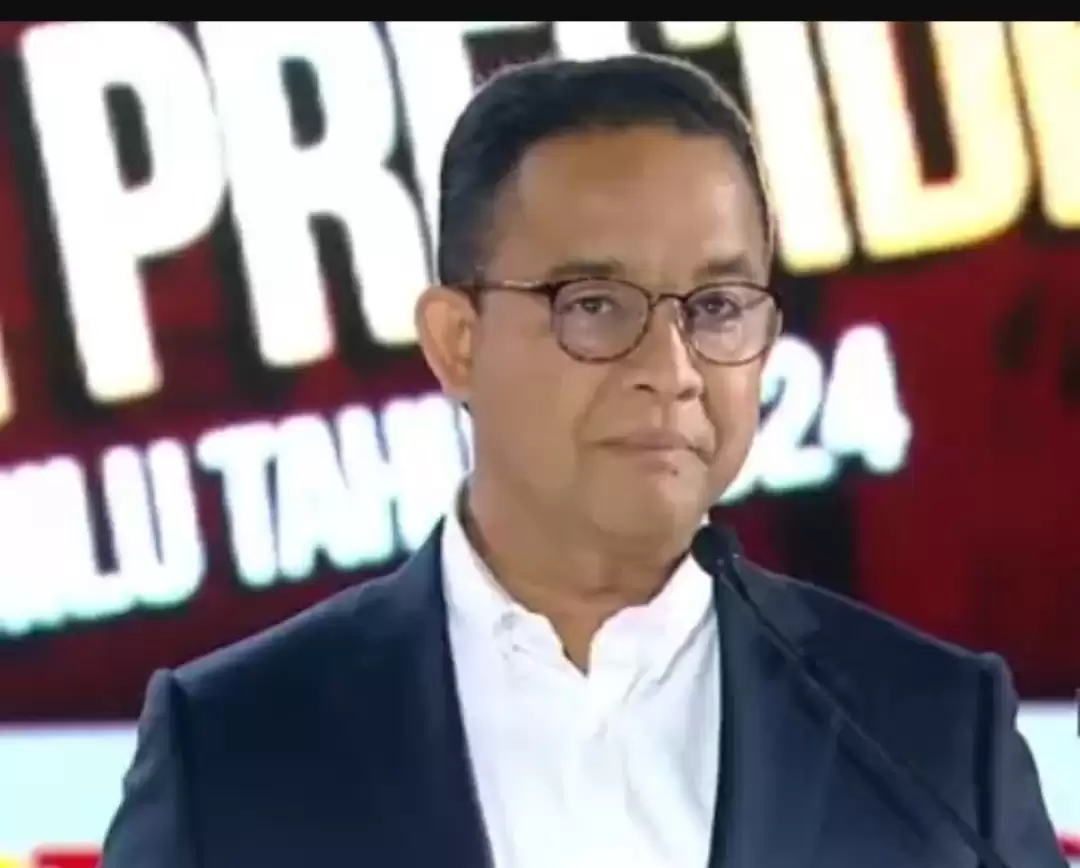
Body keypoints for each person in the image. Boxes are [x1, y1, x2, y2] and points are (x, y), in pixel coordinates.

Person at [100, 53, 1066, 868]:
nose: (672, 370)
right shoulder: (232, 739)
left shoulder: (932, 733)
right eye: (595, 305)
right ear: (457, 342)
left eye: (717, 307)